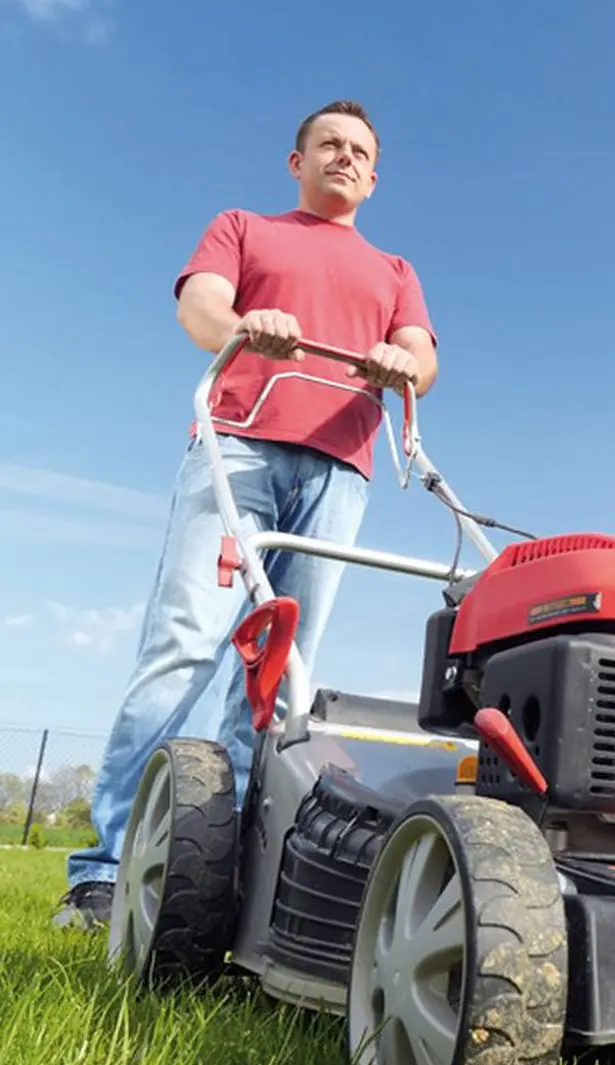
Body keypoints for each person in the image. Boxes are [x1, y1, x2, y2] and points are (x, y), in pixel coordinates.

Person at [54, 100, 438, 929]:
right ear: (295, 161)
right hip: (241, 446)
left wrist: (400, 358)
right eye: (328, 144)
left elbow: (423, 362)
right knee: (187, 643)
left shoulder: (396, 270)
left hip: (341, 473)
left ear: (374, 177)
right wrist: (247, 325)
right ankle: (104, 871)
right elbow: (200, 310)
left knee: (276, 679)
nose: (344, 156)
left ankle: (213, 878)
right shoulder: (244, 226)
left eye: (359, 151)